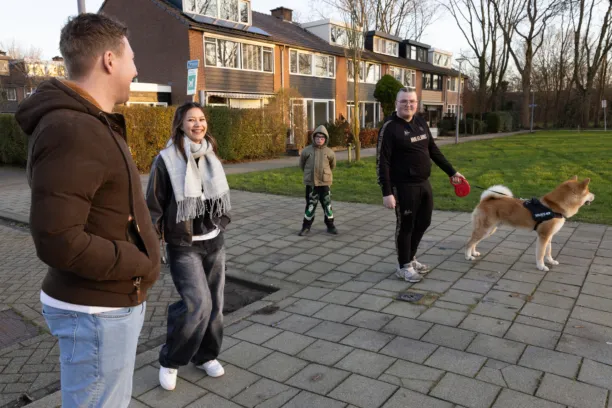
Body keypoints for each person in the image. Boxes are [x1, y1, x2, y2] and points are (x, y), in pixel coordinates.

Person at [15, 13, 160, 408]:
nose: (136, 69)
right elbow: (59, 239)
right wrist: (137, 259)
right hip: (96, 308)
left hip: (102, 302)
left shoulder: (89, 123)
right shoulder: (73, 129)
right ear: (109, 60)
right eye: (132, 58)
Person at [146, 102, 231, 391]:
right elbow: (154, 206)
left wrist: (221, 222)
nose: (198, 124)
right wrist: (152, 243)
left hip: (214, 242)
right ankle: (170, 359)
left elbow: (218, 194)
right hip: (184, 245)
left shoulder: (210, 153)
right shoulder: (166, 160)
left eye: (202, 119)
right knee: (197, 305)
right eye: (191, 120)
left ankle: (206, 355)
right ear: (180, 124)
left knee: (216, 306)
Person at [376, 88, 466, 283]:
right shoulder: (390, 128)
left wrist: (452, 172)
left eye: (412, 101)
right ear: (396, 104)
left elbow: (433, 150)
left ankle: (411, 257)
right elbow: (382, 162)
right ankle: (403, 266)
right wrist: (387, 192)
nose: (408, 105)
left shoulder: (420, 122)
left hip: (423, 183)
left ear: (417, 104)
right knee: (406, 225)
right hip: (403, 186)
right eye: (403, 101)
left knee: (424, 222)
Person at [298, 125, 338, 236]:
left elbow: (332, 166)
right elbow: (302, 165)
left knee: (327, 205)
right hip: (311, 184)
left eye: (322, 138)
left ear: (325, 139)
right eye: (317, 138)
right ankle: (306, 227)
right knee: (311, 205)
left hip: (325, 183)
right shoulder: (307, 151)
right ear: (313, 138)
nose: (319, 140)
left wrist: (325, 175)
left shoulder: (329, 152)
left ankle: (330, 226)